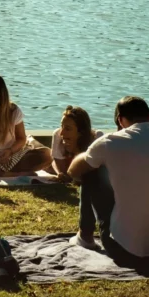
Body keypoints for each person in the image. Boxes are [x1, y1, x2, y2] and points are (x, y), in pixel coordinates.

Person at [68, 96, 149, 264]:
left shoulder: (109, 142)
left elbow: (74, 171)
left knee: (91, 170)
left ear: (120, 120)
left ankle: (84, 237)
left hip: (124, 249)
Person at [49, 106, 105, 249]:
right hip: (73, 170)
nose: (62, 132)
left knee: (89, 174)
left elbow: (91, 170)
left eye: (67, 128)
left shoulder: (97, 138)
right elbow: (63, 171)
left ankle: (85, 235)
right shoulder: (58, 136)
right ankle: (85, 235)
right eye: (62, 127)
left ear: (81, 131)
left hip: (91, 175)